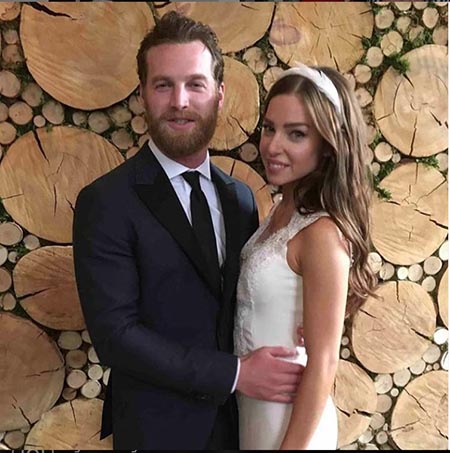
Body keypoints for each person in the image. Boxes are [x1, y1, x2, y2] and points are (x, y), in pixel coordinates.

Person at [72, 11, 303, 450]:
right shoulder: (106, 201)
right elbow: (116, 336)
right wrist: (234, 374)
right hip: (157, 431)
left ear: (219, 94)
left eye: (195, 84)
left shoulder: (240, 199)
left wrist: (296, 320)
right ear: (143, 93)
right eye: (164, 85)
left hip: (244, 425)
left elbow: (244, 300)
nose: (180, 101)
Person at [234, 63, 379, 450]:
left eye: (295, 133)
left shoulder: (322, 234)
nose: (272, 146)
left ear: (327, 146)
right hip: (254, 412)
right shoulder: (279, 214)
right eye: (269, 128)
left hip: (291, 426)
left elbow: (325, 361)